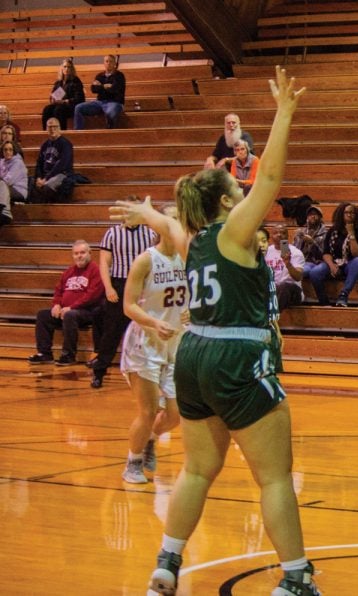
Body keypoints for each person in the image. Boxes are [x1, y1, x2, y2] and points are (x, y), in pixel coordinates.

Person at [110, 67, 319, 596]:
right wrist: (285, 114)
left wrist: (146, 212)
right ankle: (296, 579)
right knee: (273, 476)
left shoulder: (195, 241)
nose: (244, 188)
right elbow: (269, 178)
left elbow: (170, 226)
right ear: (228, 203)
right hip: (235, 355)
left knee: (200, 470)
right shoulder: (231, 232)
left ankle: (167, 563)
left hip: (194, 354)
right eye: (236, 186)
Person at [119, 205, 186, 484]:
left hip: (175, 343)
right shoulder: (146, 260)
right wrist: (154, 323)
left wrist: (194, 309)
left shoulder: (188, 258)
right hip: (144, 343)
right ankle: (132, 463)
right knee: (147, 411)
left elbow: (196, 296)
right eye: (171, 219)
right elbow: (128, 306)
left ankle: (149, 440)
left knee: (174, 415)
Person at [89, 202, 156, 389]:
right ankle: (99, 371)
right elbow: (104, 263)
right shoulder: (112, 233)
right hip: (119, 283)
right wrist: (109, 287)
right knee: (111, 331)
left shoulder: (150, 234)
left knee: (146, 329)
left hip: (143, 285)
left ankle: (149, 374)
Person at [27, 240, 104, 366]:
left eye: (82, 253)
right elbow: (59, 290)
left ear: (90, 253)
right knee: (43, 315)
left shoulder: (96, 270)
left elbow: (92, 296)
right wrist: (56, 304)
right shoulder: (69, 272)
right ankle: (45, 354)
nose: (79, 256)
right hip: (67, 310)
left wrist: (71, 307)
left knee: (70, 315)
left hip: (88, 312)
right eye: (76, 253)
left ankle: (68, 355)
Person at [307, 202, 358, 307]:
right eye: (346, 212)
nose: (349, 215)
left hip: (356, 264)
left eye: (352, 213)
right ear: (341, 214)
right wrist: (332, 266)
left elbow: (357, 254)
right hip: (336, 262)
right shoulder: (333, 231)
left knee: (357, 262)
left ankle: (343, 295)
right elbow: (326, 253)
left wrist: (351, 234)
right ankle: (324, 302)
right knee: (315, 272)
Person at [74, 54, 126, 130]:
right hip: (99, 102)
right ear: (104, 63)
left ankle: (110, 134)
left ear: (115, 64)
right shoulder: (99, 76)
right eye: (106, 61)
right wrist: (105, 86)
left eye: (111, 61)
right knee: (78, 108)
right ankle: (78, 133)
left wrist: (100, 86)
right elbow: (93, 89)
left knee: (110, 113)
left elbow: (114, 89)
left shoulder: (119, 76)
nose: (108, 63)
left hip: (114, 102)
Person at [264, 223, 305, 310]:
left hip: (292, 291)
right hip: (273, 289)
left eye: (282, 233)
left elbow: (298, 277)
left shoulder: (296, 253)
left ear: (287, 236)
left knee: (284, 286)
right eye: (276, 233)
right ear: (271, 236)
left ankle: (270, 318)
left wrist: (288, 263)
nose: (279, 235)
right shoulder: (266, 252)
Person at [32, 118, 74, 203]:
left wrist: (46, 178)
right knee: (30, 184)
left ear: (59, 128)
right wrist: (39, 177)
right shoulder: (45, 144)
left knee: (47, 186)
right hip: (45, 175)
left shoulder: (65, 144)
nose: (52, 129)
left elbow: (62, 164)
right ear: (46, 128)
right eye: (50, 127)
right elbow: (39, 163)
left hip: (61, 174)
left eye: (55, 127)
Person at [41, 58, 85, 130]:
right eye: (65, 67)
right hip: (58, 104)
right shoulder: (59, 82)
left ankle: (62, 132)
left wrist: (65, 101)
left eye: (69, 67)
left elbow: (80, 98)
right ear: (62, 68)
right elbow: (53, 95)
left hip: (70, 106)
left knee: (59, 110)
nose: (66, 69)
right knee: (47, 109)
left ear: (72, 69)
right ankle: (46, 132)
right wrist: (52, 99)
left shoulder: (76, 81)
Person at [291, 203, 328, 271]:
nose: (312, 216)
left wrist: (312, 243)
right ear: (307, 217)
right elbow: (294, 251)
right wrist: (299, 239)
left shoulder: (325, 234)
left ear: (320, 217)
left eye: (315, 214)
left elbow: (324, 255)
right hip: (300, 261)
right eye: (310, 214)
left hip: (316, 262)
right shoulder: (301, 232)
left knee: (302, 271)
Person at [0, 140, 27, 223]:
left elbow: (8, 181)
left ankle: (5, 212)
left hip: (18, 191)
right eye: (5, 150)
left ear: (14, 151)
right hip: (4, 189)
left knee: (2, 184)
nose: (8, 152)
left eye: (10, 150)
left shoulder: (18, 163)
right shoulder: (1, 162)